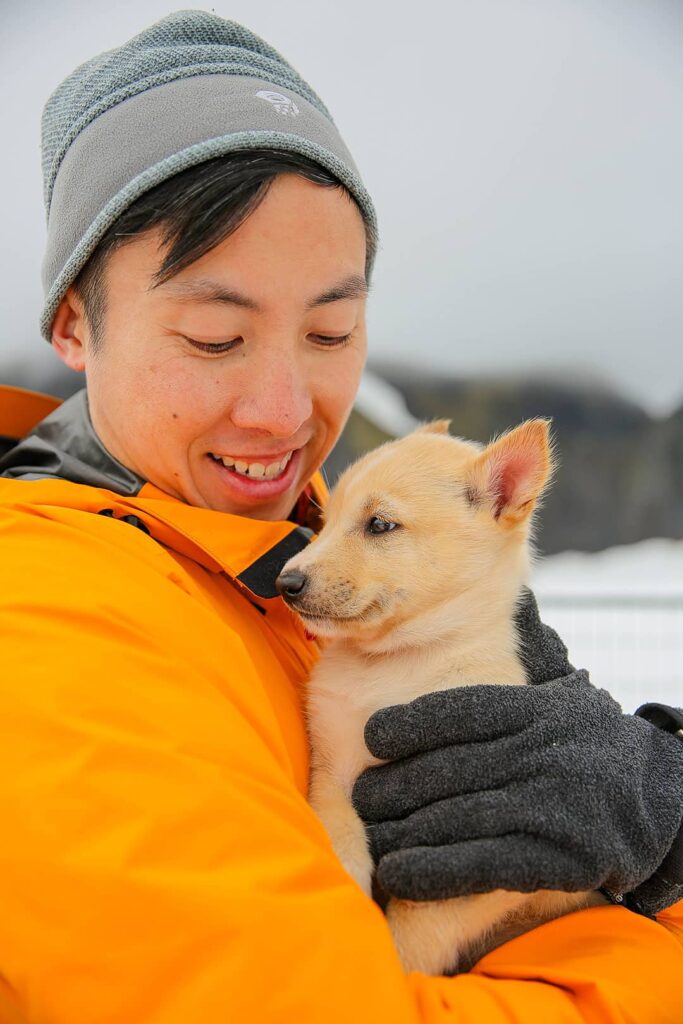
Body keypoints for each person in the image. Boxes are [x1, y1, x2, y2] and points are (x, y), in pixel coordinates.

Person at [0, 11, 681, 1023]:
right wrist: (642, 941)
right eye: (214, 335)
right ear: (71, 326)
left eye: (331, 329)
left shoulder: (263, 544)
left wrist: (657, 824)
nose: (284, 412)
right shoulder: (49, 629)